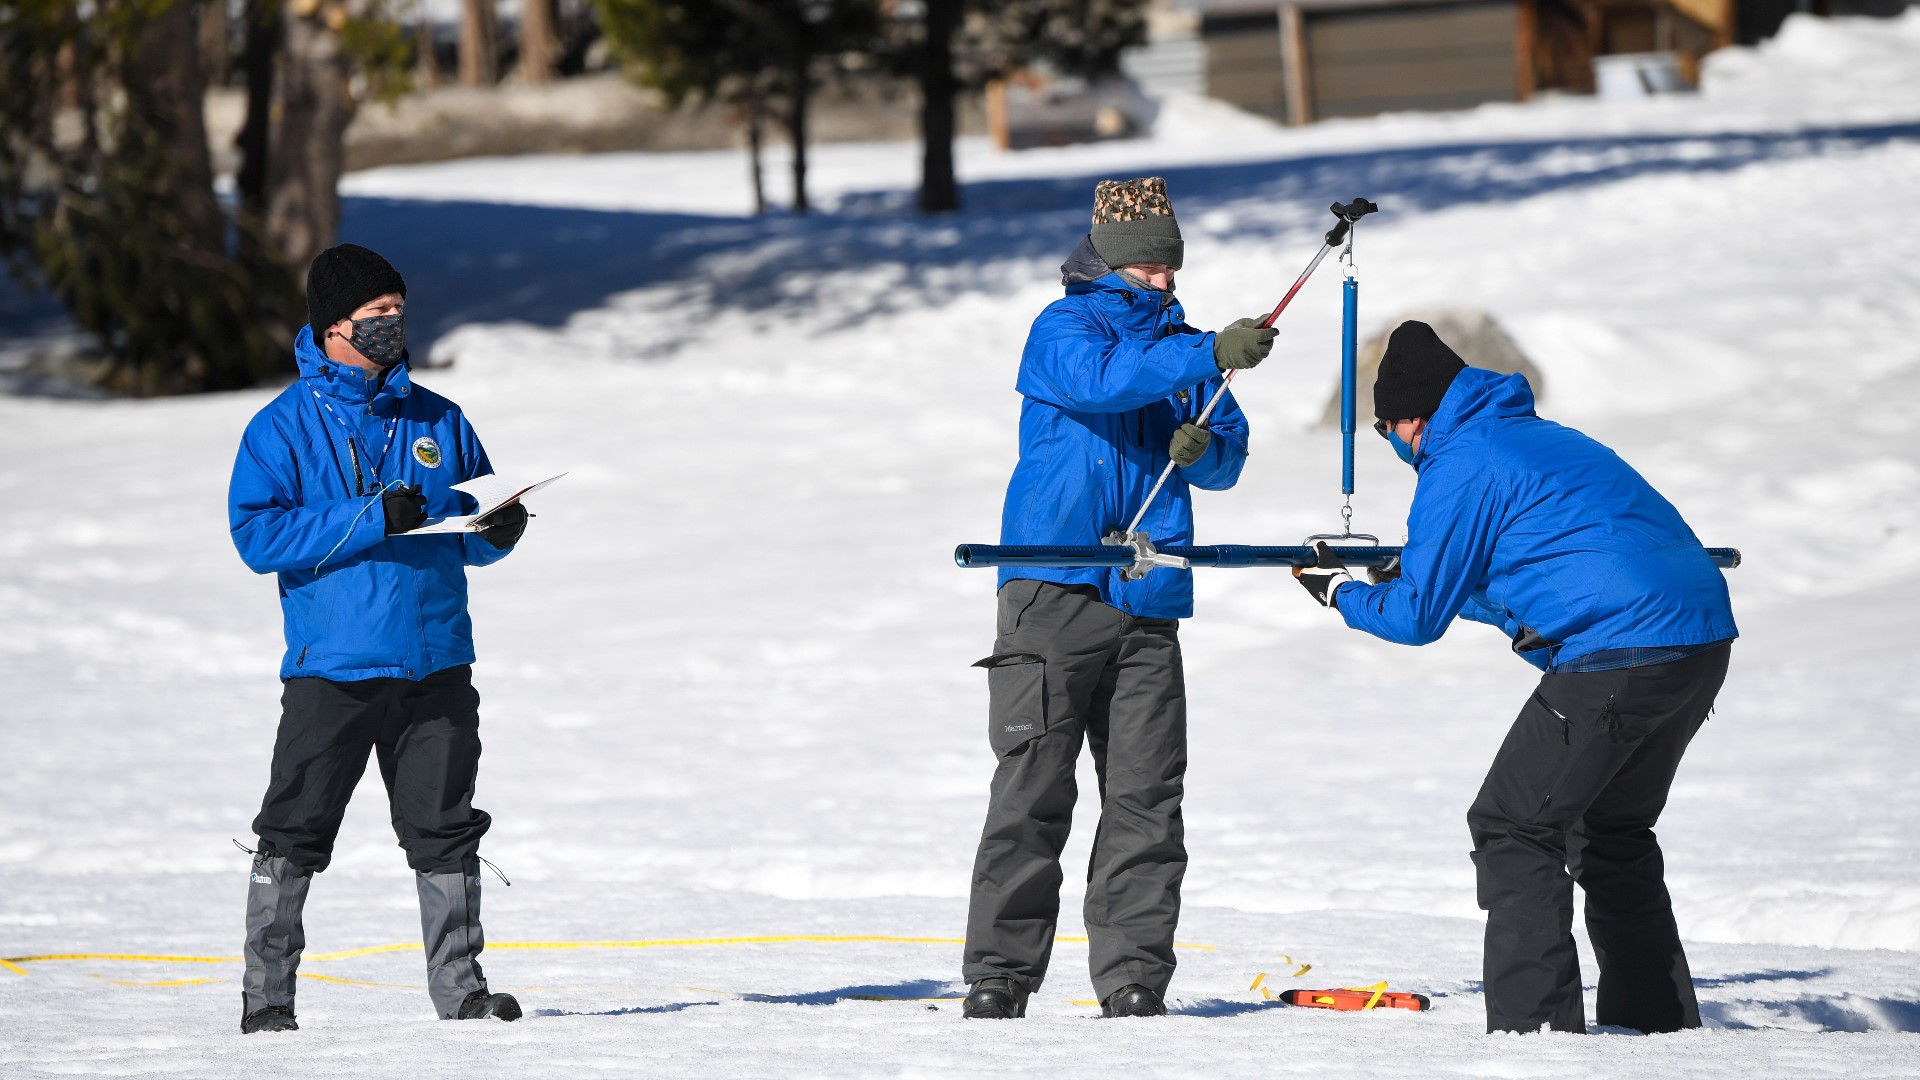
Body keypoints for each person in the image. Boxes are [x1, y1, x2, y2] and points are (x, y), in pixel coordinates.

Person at [1292, 321, 1737, 1034]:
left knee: (1514, 828)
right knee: (1611, 828)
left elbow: (1415, 620)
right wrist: (1416, 576)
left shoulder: (1460, 458)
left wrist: (1339, 591)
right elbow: (1531, 574)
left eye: (1387, 434)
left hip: (1617, 651)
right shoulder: (1542, 440)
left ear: (1409, 418)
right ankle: (1657, 1027)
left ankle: (1536, 1038)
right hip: (1697, 641)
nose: (1398, 449)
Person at [962, 177, 1272, 1020]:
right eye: (1147, 270)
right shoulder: (1062, 328)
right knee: (1032, 789)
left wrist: (1201, 445)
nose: (1164, 282)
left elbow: (1227, 461)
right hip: (1052, 589)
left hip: (1148, 591)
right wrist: (1205, 355)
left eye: (1170, 268)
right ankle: (1000, 973)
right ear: (1107, 262)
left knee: (1146, 797)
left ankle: (1134, 975)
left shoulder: (1184, 345)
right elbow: (1104, 382)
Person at [227, 244, 530, 1033]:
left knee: (446, 826)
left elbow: (469, 525)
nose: (396, 325)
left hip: (436, 658)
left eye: (401, 311)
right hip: (336, 666)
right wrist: (367, 517)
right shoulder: (279, 428)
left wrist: (500, 529)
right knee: (295, 827)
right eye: (379, 315)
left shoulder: (440, 418)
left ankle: (462, 993)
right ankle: (268, 1002)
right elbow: (257, 538)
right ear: (334, 326)